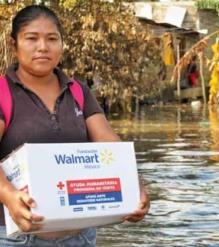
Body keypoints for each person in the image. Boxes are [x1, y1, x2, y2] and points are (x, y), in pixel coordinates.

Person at [0, 5, 149, 246]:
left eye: (52, 39)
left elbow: (110, 145)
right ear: (13, 44)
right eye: (31, 38)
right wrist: (8, 195)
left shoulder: (78, 91)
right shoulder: (2, 93)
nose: (43, 47)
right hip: (14, 238)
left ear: (61, 44)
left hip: (79, 236)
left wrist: (135, 186)